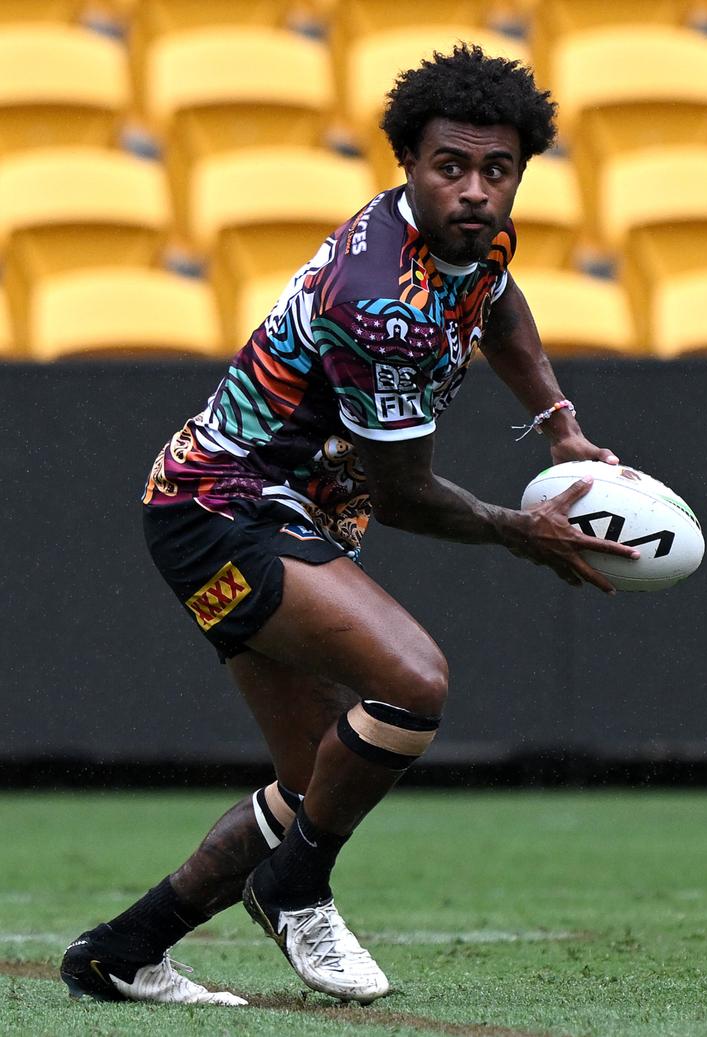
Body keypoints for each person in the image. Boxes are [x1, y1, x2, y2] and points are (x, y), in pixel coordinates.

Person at [60, 43, 638, 1007]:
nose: (476, 191)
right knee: (413, 682)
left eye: (497, 171)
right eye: (450, 166)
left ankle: (123, 951)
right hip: (224, 506)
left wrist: (559, 423)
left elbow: (497, 304)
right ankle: (295, 886)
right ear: (406, 164)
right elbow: (406, 492)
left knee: (310, 778)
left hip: (277, 503)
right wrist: (519, 530)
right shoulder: (380, 300)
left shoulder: (475, 238)